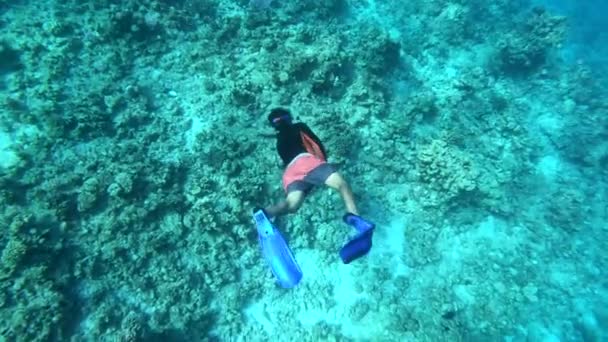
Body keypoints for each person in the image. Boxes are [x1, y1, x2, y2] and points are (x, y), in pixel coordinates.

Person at [260, 107, 360, 219]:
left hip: (289, 173)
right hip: (307, 162)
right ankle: (355, 217)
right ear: (289, 118)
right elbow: (316, 143)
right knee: (342, 185)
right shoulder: (299, 127)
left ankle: (266, 212)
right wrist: (323, 162)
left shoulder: (279, 142)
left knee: (291, 205)